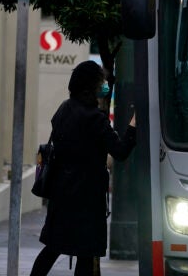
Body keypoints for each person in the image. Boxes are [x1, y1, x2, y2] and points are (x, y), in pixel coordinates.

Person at [30, 61, 137, 276]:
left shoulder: (64, 109)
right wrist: (135, 124)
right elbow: (120, 151)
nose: (104, 84)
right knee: (85, 254)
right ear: (90, 86)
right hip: (87, 199)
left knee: (53, 248)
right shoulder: (94, 119)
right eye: (101, 80)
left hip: (61, 193)